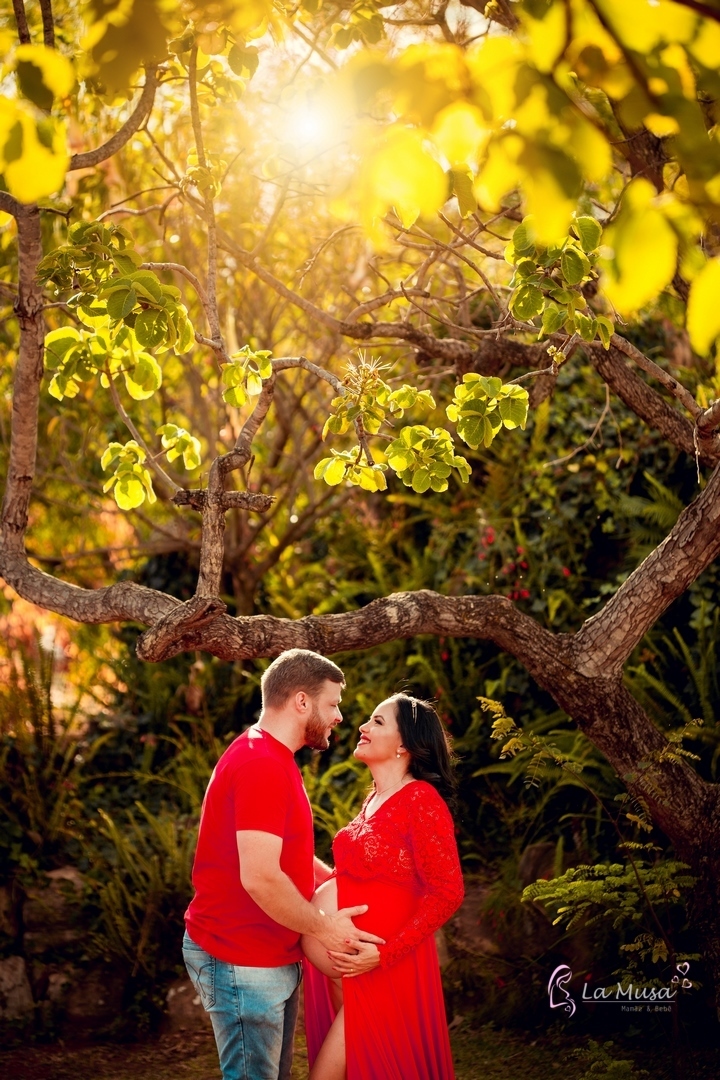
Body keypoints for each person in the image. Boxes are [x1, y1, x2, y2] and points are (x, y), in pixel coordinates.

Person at [183, 648, 385, 1080]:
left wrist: (336, 885)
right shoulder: (261, 764)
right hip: (241, 958)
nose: (339, 717)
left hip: (263, 955)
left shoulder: (271, 756)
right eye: (333, 704)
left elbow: (283, 856)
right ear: (301, 701)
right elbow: (260, 877)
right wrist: (325, 926)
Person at [301, 693, 464, 1080]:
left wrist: (386, 954)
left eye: (377, 722)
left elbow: (448, 891)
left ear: (405, 744)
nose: (362, 726)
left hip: (382, 971)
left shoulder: (421, 800)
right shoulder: (374, 798)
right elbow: (360, 880)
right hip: (350, 974)